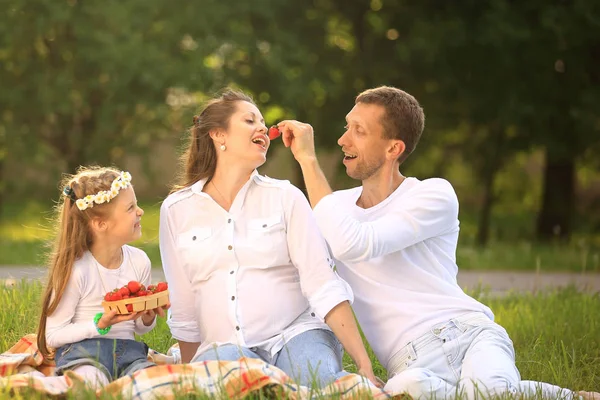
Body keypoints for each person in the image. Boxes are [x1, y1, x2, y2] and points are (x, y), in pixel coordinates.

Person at [278, 85, 599, 399]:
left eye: (358, 131)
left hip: (470, 334)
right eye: (346, 126)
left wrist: (308, 160)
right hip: (410, 361)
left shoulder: (434, 195)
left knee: (489, 392)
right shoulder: (334, 210)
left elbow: (355, 243)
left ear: (393, 149)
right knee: (409, 390)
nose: (342, 139)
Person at [159, 89, 379, 388]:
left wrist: (364, 364)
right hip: (225, 347)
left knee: (322, 384)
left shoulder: (285, 196)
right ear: (218, 135)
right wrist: (191, 377)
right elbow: (183, 306)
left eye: (263, 122)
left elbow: (322, 283)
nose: (262, 127)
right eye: (250, 121)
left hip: (296, 334)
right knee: (237, 389)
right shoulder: (177, 209)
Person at [36, 166, 167, 390]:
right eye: (130, 208)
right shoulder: (78, 270)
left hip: (129, 353)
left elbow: (138, 328)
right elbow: (53, 335)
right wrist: (99, 325)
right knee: (91, 382)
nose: (140, 211)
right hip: (84, 352)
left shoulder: (139, 261)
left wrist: (147, 317)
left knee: (154, 385)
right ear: (100, 224)